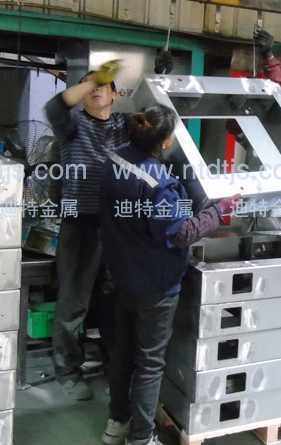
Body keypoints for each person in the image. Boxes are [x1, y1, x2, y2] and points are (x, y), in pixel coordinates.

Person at [99, 104, 241, 445]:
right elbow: (181, 232)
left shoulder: (114, 159)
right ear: (164, 142)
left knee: (122, 354)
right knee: (149, 364)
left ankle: (116, 423)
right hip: (155, 285)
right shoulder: (158, 183)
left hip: (121, 275)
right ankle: (141, 438)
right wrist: (219, 211)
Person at [44, 51, 173, 400]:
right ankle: (67, 372)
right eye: (89, 85)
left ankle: (112, 365)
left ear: (115, 94)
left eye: (103, 85)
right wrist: (94, 78)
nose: (96, 89)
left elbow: (158, 121)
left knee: (113, 301)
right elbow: (54, 108)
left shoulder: (124, 127)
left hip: (118, 228)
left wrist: (161, 78)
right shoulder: (72, 127)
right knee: (73, 304)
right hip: (80, 226)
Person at [228, 28, 281, 236]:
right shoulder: (254, 139)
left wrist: (269, 59)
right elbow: (233, 126)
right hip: (253, 212)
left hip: (279, 215)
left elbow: (280, 96)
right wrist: (238, 102)